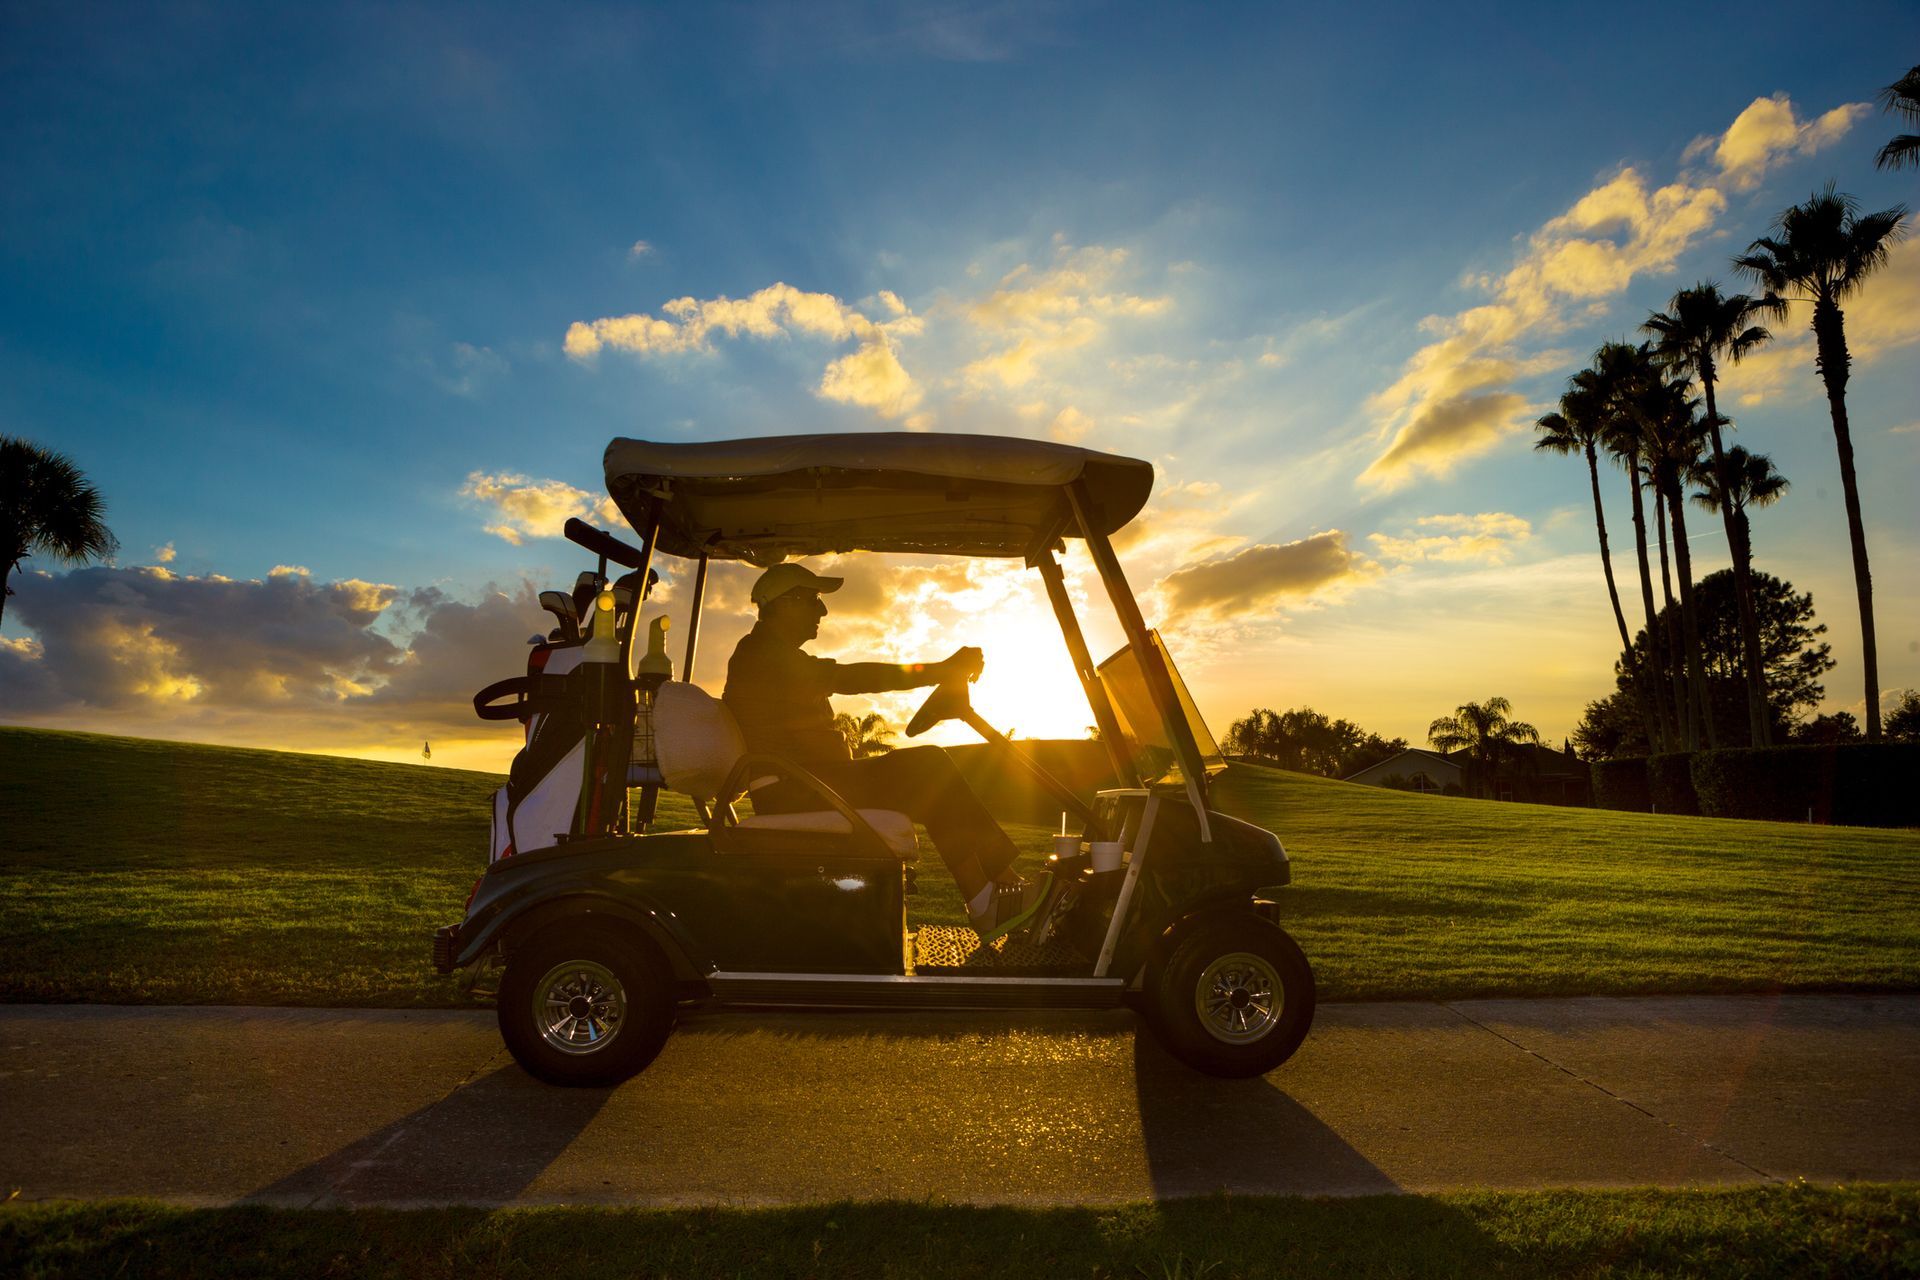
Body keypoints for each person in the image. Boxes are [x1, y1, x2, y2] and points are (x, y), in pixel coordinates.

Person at [723, 561, 1044, 940]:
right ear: (787, 602)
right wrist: (939, 670)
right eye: (814, 600)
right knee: (928, 766)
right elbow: (852, 678)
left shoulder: (773, 655)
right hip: (793, 790)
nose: (822, 611)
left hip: (804, 782)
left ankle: (999, 891)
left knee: (926, 770)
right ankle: (990, 898)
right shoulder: (762, 654)